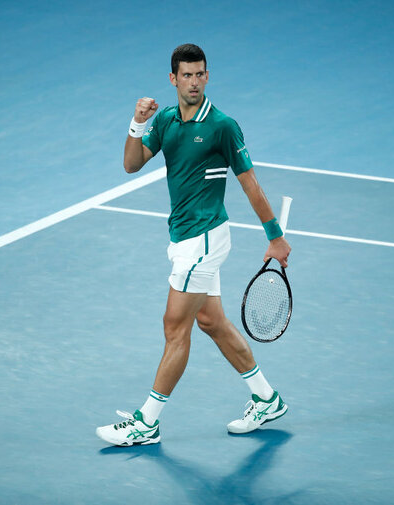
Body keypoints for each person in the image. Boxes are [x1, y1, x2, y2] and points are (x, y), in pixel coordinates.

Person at [96, 44, 291, 446]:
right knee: (211, 322)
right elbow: (132, 164)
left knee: (174, 327)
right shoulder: (166, 120)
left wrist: (275, 236)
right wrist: (136, 124)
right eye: (187, 75)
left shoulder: (222, 126)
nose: (194, 82)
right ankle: (266, 398)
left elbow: (250, 183)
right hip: (185, 237)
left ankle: (147, 422)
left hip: (204, 240)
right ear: (173, 79)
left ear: (208, 76)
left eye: (200, 74)